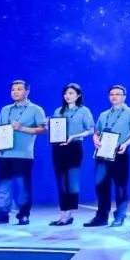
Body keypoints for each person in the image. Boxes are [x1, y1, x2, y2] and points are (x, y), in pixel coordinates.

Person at [0, 80, 46, 225]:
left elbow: (44, 130)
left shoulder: (36, 109)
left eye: (19, 89)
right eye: (13, 90)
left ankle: (23, 214)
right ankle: (2, 214)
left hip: (23, 155)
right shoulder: (6, 109)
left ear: (27, 91)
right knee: (3, 185)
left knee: (23, 186)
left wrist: (22, 128)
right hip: (3, 154)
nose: (15, 92)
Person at [85, 85, 130, 227]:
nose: (114, 96)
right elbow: (97, 133)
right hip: (103, 154)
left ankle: (120, 216)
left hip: (120, 152)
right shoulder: (104, 115)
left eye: (118, 94)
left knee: (120, 186)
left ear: (124, 97)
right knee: (101, 185)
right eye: (112, 94)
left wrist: (126, 144)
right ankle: (101, 216)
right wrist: (95, 139)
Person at [49, 83, 94, 226]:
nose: (67, 96)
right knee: (61, 181)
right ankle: (63, 213)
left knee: (71, 181)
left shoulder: (84, 111)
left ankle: (69, 213)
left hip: (74, 147)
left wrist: (74, 136)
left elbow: (91, 129)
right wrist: (48, 124)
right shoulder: (58, 111)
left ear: (78, 95)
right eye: (65, 93)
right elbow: (55, 129)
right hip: (58, 148)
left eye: (71, 93)